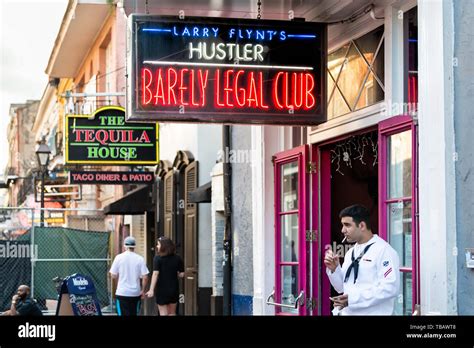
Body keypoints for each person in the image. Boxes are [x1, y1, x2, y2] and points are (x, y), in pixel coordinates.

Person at [324, 204, 400, 315]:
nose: (342, 230)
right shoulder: (351, 252)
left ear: (362, 225)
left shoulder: (384, 251)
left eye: (347, 225)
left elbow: (390, 288)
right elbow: (342, 288)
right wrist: (334, 269)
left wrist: (353, 300)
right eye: (342, 225)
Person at [109, 236, 149, 316]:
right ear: (134, 246)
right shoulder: (140, 258)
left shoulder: (118, 257)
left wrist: (119, 282)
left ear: (125, 246)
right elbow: (145, 277)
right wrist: (142, 290)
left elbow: (113, 275)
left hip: (122, 292)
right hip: (135, 293)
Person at [146, 237, 184, 316]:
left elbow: (155, 274)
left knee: (163, 313)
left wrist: (151, 289)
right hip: (173, 289)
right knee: (172, 313)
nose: (157, 246)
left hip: (161, 289)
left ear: (164, 246)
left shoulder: (157, 258)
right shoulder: (177, 258)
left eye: (158, 245)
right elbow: (181, 274)